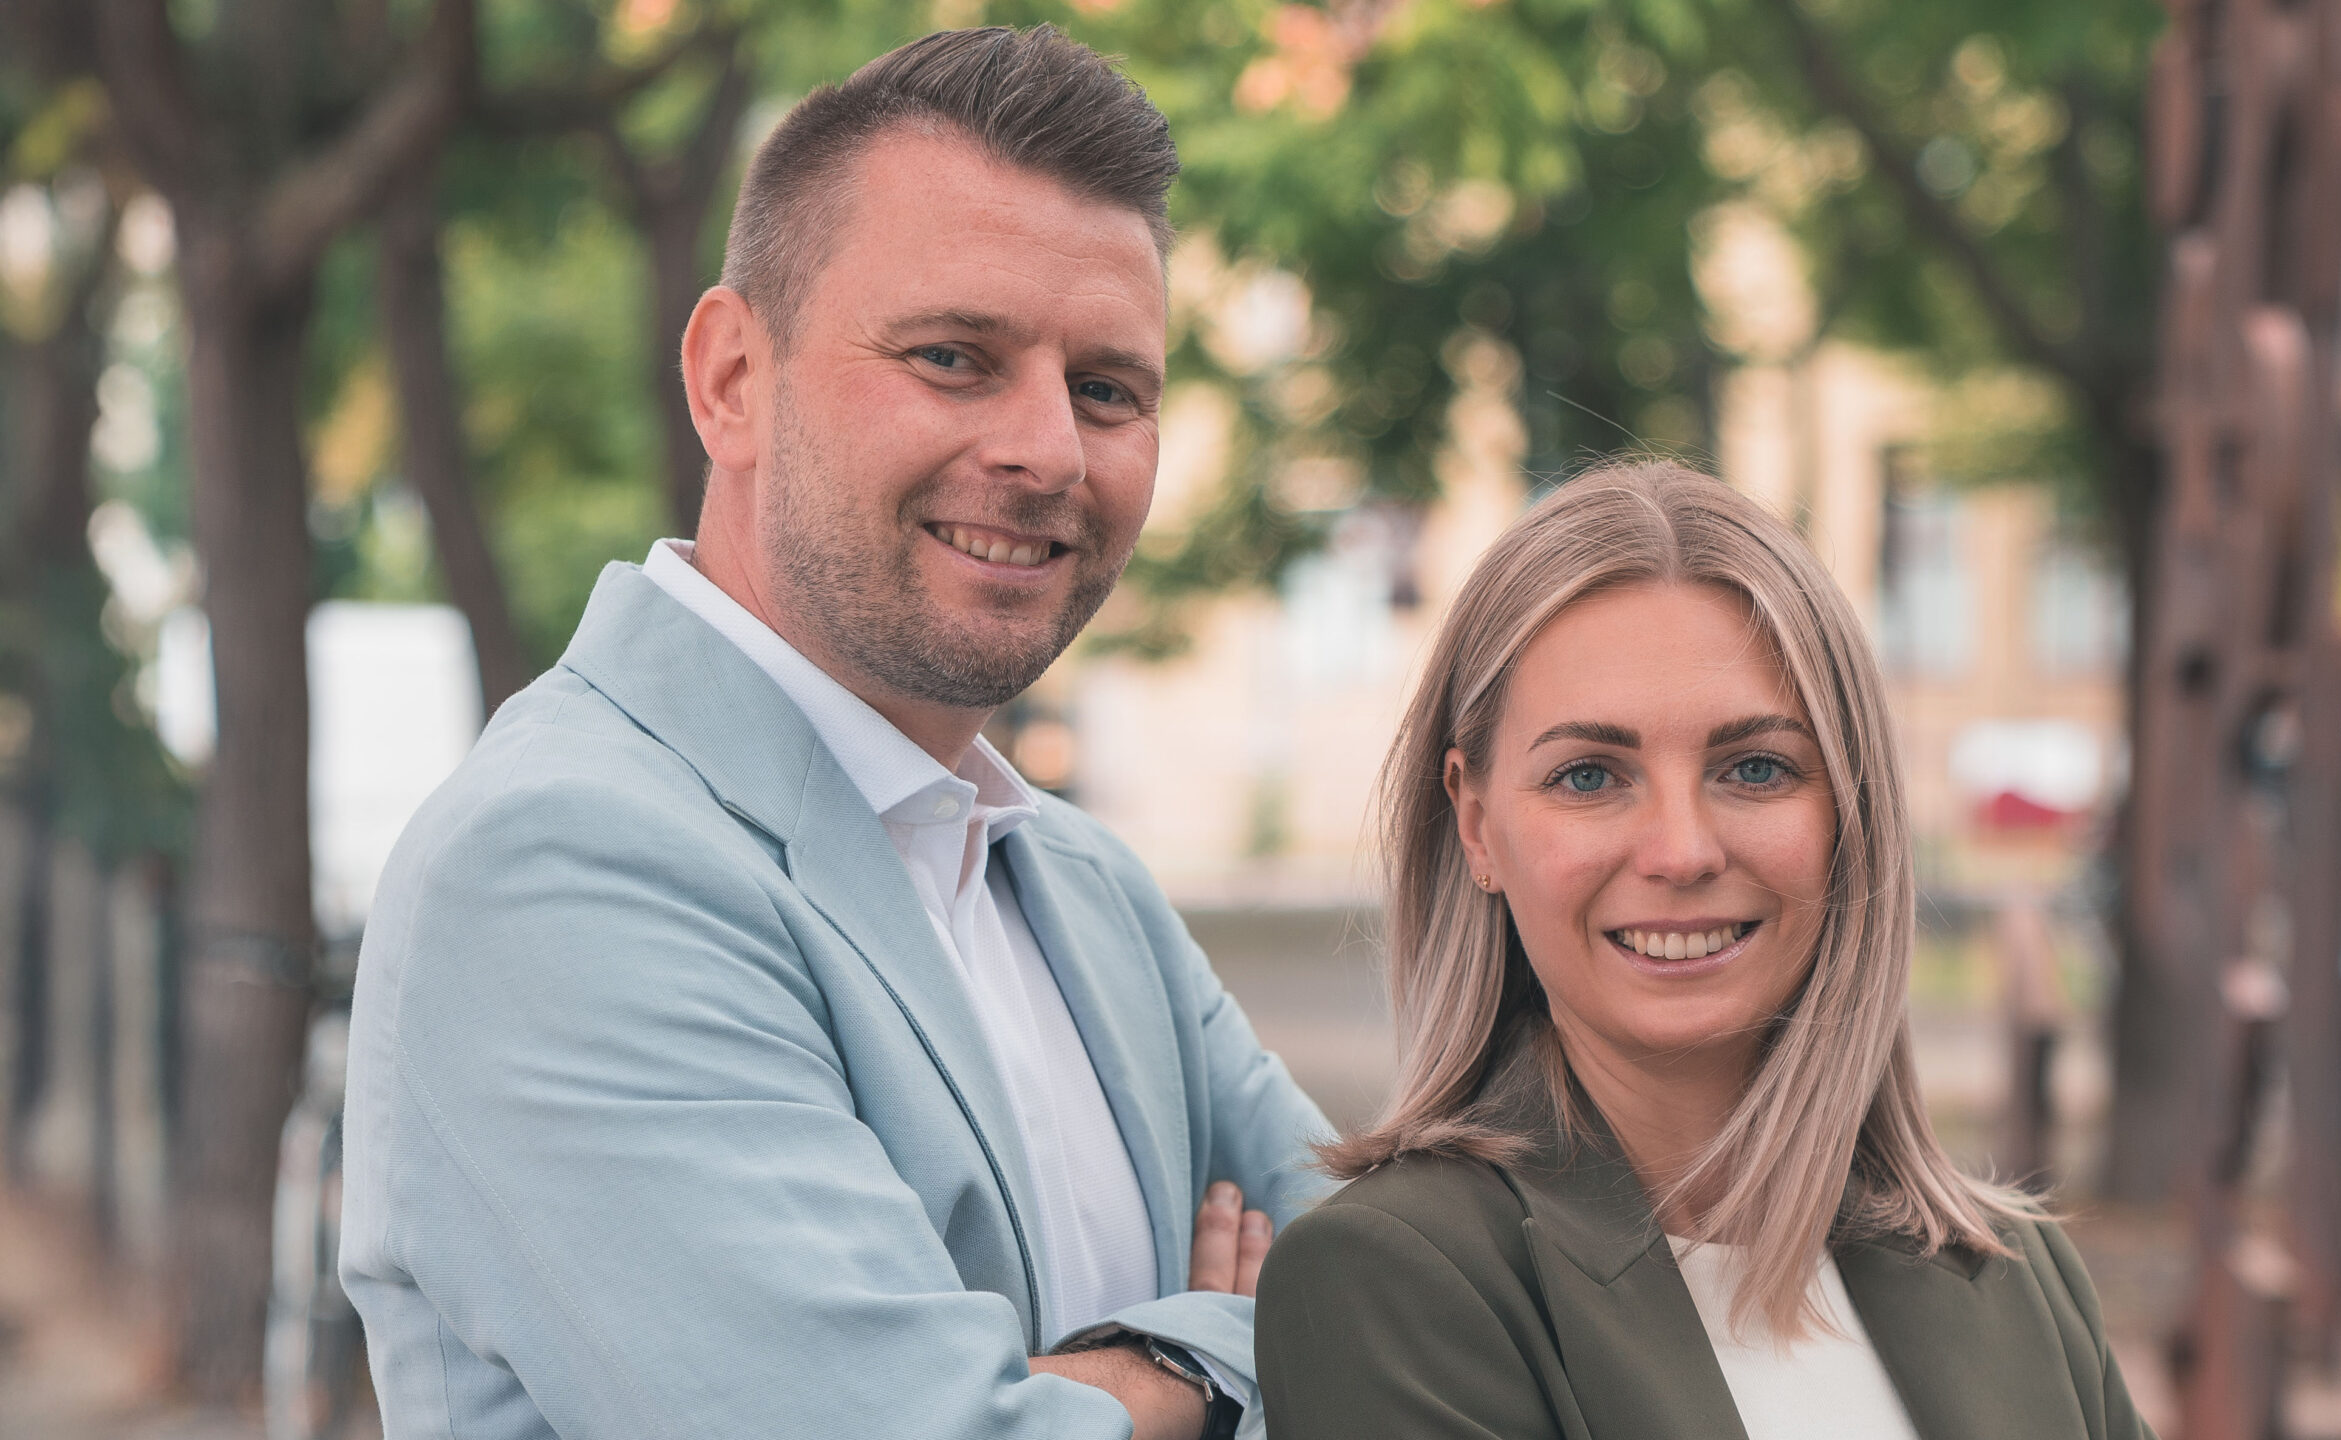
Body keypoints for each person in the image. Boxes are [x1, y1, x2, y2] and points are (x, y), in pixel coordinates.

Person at [339, 28, 1331, 1440]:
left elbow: (1423, 1299)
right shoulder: (559, 868)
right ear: (733, 378)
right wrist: (1228, 1343)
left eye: (1107, 389)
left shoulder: (1086, 889)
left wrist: (1112, 1389)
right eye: (953, 357)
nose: (1049, 451)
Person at [1256, 460, 2156, 1440]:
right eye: (1589, 776)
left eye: (1756, 768)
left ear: (1848, 814)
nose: (1681, 851)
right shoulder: (1389, 1279)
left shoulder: (2020, 1276)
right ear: (1476, 825)